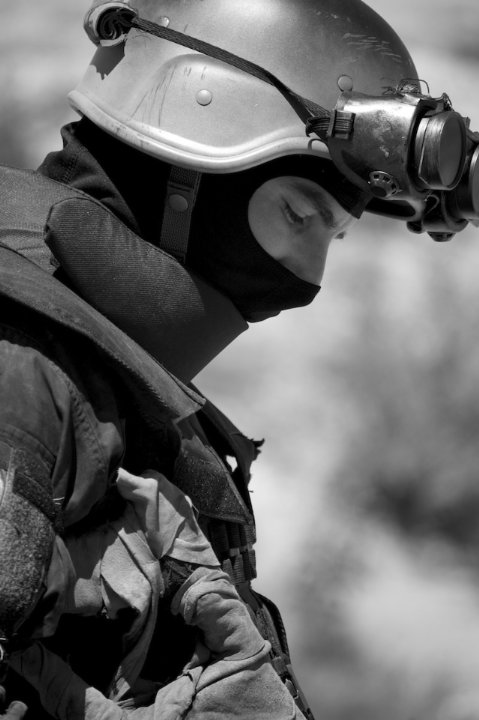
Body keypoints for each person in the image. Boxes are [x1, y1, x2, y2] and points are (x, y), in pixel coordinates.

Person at [0, 0, 477, 717]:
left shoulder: (105, 372)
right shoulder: (21, 365)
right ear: (185, 163)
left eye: (335, 236)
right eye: (298, 214)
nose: (309, 279)